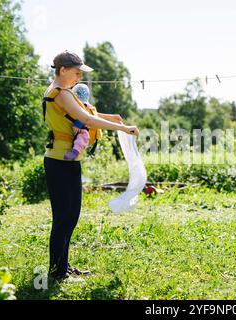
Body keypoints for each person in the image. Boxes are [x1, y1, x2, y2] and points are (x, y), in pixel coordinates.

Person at [43, 51, 139, 282]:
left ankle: (63, 266)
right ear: (63, 70)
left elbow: (83, 112)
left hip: (66, 161)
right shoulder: (60, 93)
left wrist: (110, 117)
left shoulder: (63, 93)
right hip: (59, 161)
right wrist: (124, 129)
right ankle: (57, 272)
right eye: (76, 73)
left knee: (70, 216)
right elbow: (86, 120)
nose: (78, 77)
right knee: (64, 217)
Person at [63, 84, 92, 160]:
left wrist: (78, 124)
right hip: (70, 131)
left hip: (83, 129)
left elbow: (85, 116)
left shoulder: (86, 106)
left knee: (81, 139)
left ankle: (75, 152)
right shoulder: (73, 104)